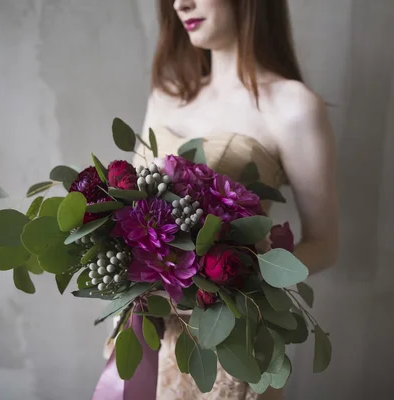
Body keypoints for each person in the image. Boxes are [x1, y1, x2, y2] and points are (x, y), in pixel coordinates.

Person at [113, 0, 339, 399]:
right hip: (150, 334)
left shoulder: (293, 106)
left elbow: (325, 243)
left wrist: (241, 273)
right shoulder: (165, 95)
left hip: (226, 345)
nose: (181, 4)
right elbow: (131, 207)